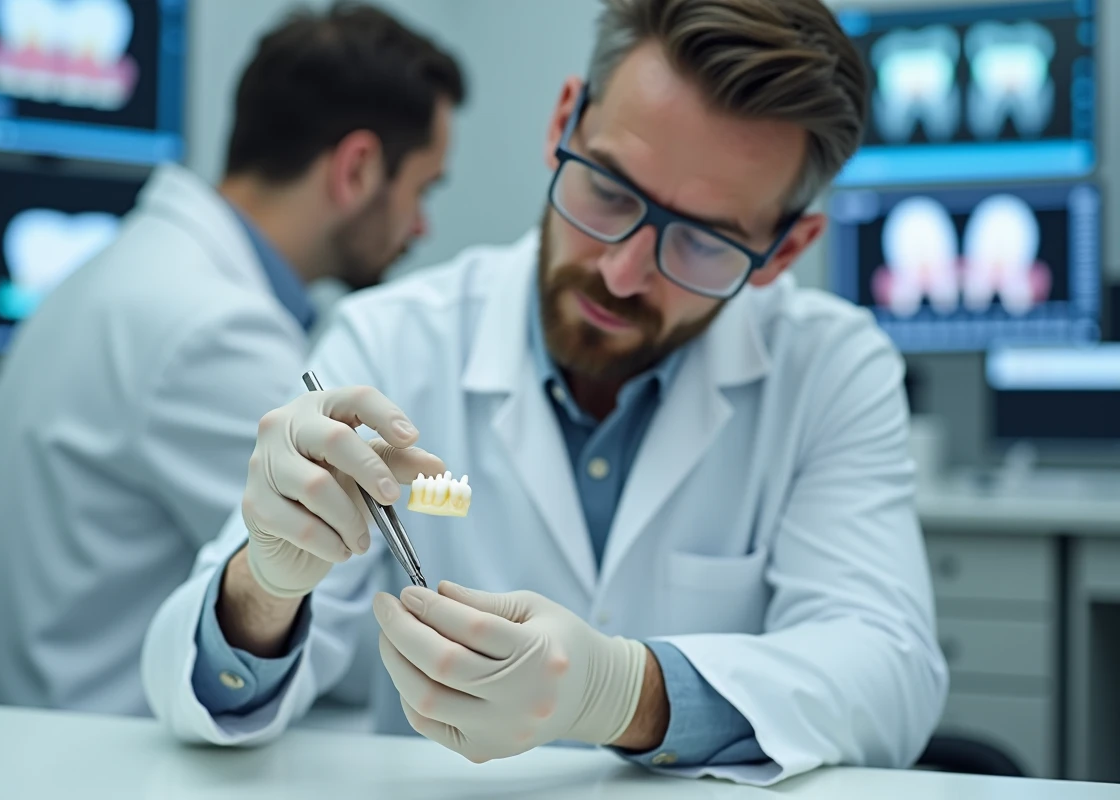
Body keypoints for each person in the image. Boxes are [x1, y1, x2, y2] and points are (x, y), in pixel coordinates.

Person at [142, 0, 947, 786]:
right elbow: (197, 690)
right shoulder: (388, 339)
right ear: (564, 123)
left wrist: (624, 693)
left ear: (785, 248)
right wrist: (265, 587)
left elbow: (890, 671)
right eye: (610, 190)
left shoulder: (832, 370)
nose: (621, 272)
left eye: (702, 240)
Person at [0, 2, 465, 716]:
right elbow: (337, 639)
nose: (423, 226)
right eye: (423, 190)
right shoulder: (211, 331)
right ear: (358, 168)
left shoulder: (133, 271)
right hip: (98, 757)